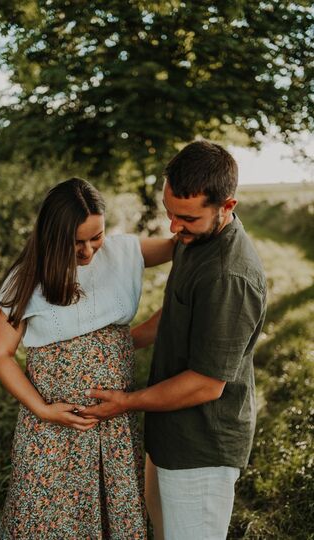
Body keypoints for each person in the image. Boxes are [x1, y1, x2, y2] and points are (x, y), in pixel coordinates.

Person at [80, 140, 267, 539]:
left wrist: (125, 404)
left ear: (227, 206)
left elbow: (206, 383)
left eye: (186, 217)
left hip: (202, 448)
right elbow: (173, 314)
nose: (173, 227)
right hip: (169, 435)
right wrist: (111, 346)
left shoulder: (229, 277)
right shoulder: (195, 240)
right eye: (169, 212)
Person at [0, 177, 177, 539]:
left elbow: (181, 244)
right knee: (48, 518)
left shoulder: (122, 252)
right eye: (77, 242)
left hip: (112, 424)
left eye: (97, 236)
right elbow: (0, 354)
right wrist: (42, 409)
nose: (89, 250)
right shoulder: (27, 278)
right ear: (52, 235)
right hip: (53, 426)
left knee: (113, 514)